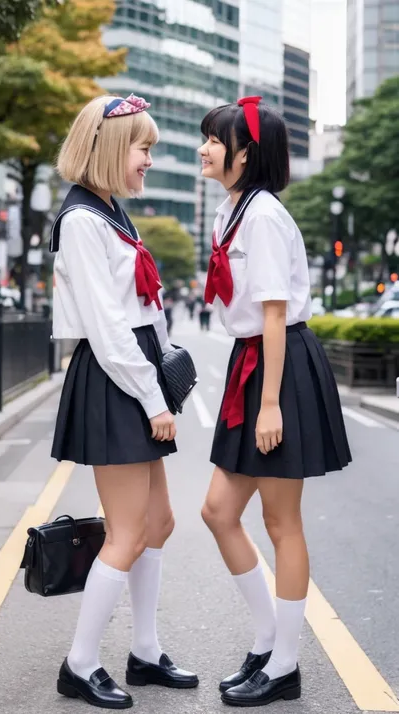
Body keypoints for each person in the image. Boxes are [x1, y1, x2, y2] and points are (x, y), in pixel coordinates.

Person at [198, 97, 351, 707]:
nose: (205, 147)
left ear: (244, 154)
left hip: (276, 363)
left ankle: (284, 663)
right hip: (253, 359)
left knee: (281, 521)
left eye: (215, 139)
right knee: (217, 511)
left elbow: (274, 312)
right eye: (206, 137)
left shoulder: (261, 216)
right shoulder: (232, 208)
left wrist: (269, 404)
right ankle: (269, 639)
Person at [50, 94, 198, 710]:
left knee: (157, 524)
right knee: (129, 531)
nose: (148, 161)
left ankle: (144, 651)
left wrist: (160, 379)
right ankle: (79, 665)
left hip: (132, 374)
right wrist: (151, 397)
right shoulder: (84, 220)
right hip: (115, 378)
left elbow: (141, 313)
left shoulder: (112, 214)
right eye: (143, 149)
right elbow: (108, 329)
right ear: (113, 149)